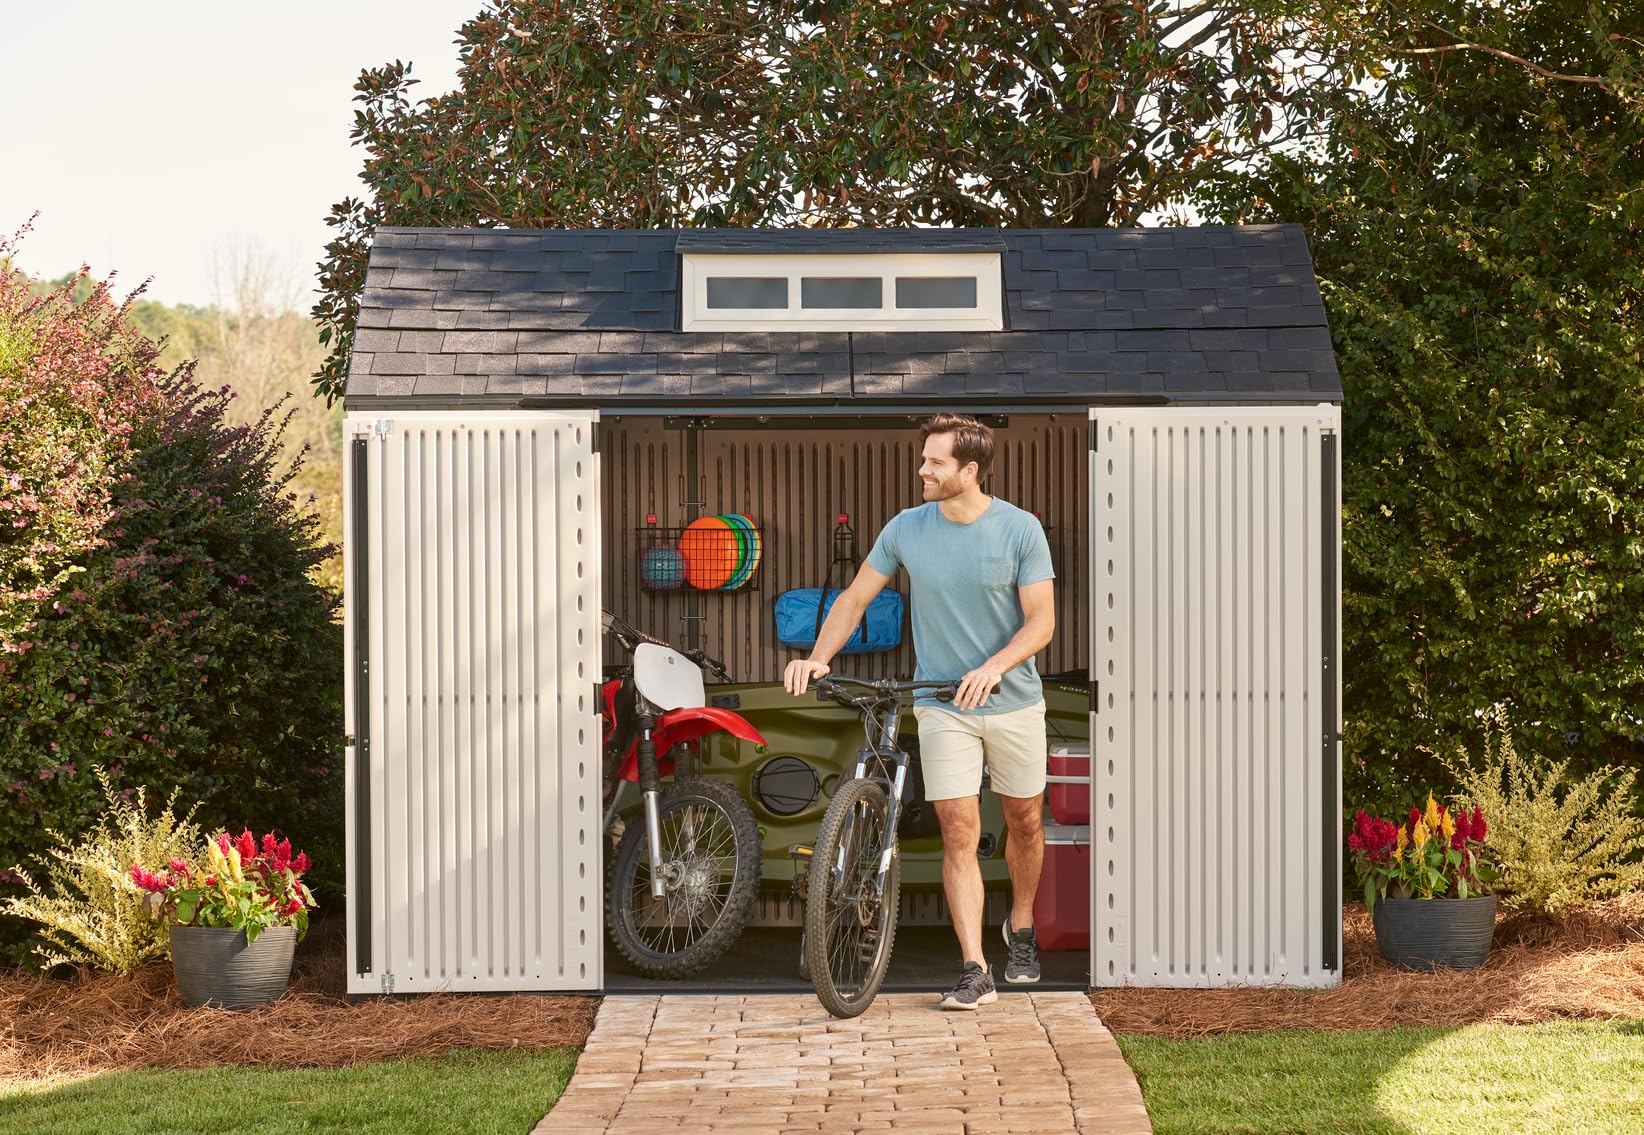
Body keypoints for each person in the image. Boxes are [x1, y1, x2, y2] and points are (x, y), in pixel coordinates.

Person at [784, 412, 1055, 1010]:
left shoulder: (1019, 530)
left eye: (935, 462)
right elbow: (856, 598)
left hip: (1013, 701)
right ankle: (974, 967)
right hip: (941, 703)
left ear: (969, 470)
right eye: (924, 458)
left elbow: (1042, 622)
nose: (922, 470)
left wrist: (993, 667)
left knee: (1025, 821)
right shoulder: (907, 528)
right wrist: (819, 657)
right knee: (959, 828)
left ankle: (1024, 924)